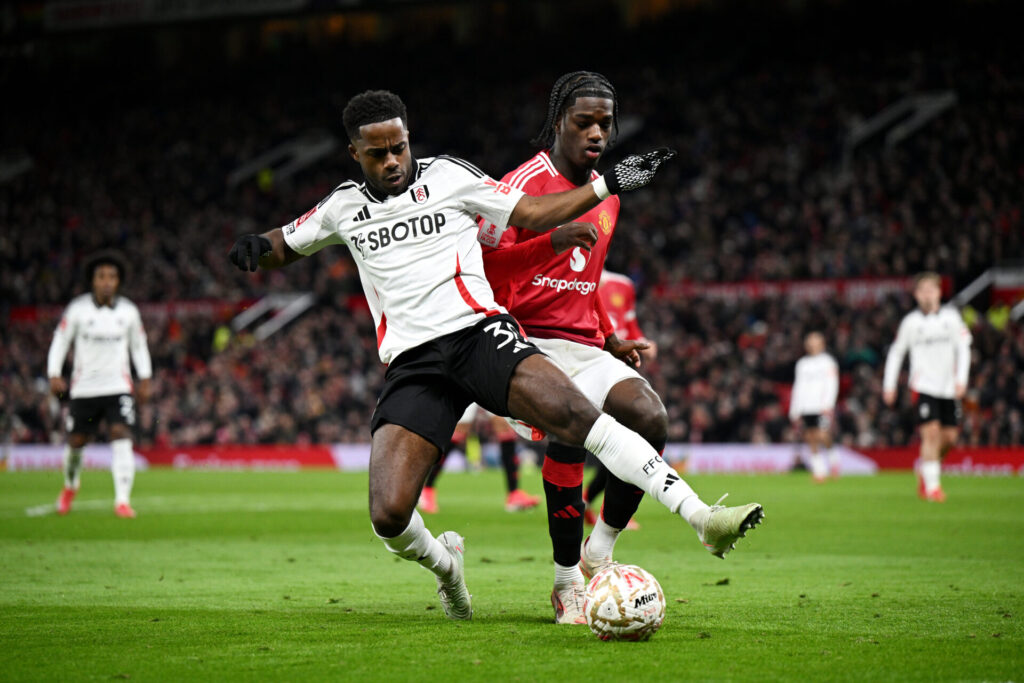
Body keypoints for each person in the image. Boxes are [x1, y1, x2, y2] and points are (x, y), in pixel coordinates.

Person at [228, 89, 761, 622]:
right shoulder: (343, 207)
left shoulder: (450, 176)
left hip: (479, 335)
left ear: (409, 138)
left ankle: (699, 516)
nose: (393, 161)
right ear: (355, 153)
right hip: (415, 364)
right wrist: (257, 246)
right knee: (389, 515)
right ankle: (446, 566)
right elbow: (287, 242)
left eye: (400, 147)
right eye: (378, 153)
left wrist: (607, 182)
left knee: (578, 417)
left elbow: (532, 211)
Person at [478, 72, 763, 625]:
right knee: (571, 431)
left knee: (649, 415)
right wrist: (548, 241)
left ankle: (598, 552)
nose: (596, 133)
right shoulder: (519, 187)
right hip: (523, 345)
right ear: (558, 120)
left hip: (584, 345)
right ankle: (567, 584)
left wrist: (608, 335)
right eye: (583, 121)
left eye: (605, 123)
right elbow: (486, 270)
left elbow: (587, 277)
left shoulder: (608, 199)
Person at [47, 251, 152, 518]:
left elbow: (139, 346)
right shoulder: (78, 310)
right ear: (93, 281)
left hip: (118, 387)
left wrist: (145, 377)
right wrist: (54, 373)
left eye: (112, 277)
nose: (107, 281)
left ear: (118, 281)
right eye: (101, 276)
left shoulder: (128, 311)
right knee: (76, 442)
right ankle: (71, 485)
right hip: (85, 389)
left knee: (122, 435)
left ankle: (122, 501)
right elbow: (60, 341)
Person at [883, 272, 972, 502]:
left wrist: (961, 379)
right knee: (930, 434)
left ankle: (927, 469)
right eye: (922, 290)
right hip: (923, 386)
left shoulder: (952, 318)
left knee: (949, 438)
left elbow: (963, 349)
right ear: (916, 295)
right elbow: (896, 353)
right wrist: (889, 385)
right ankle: (933, 488)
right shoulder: (911, 322)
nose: (927, 294)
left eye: (931, 289)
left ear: (939, 292)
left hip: (949, 387)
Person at [582, 269, 658, 527]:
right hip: (593, 362)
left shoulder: (623, 284)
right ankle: (604, 510)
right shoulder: (576, 273)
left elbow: (630, 322)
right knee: (618, 440)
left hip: (623, 363)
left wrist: (643, 340)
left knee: (623, 439)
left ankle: (588, 503)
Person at [417, 403, 540, 514]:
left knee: (504, 425)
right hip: (468, 380)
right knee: (460, 428)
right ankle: (426, 489)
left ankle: (514, 494)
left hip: (489, 380)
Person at [789, 332, 840, 482]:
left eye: (816, 342)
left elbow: (832, 384)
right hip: (806, 406)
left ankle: (833, 460)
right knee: (810, 437)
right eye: (810, 342)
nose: (813, 345)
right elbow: (798, 387)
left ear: (822, 344)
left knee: (822, 435)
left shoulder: (828, 362)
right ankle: (819, 470)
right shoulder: (802, 364)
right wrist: (795, 409)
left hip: (821, 406)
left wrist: (828, 404)